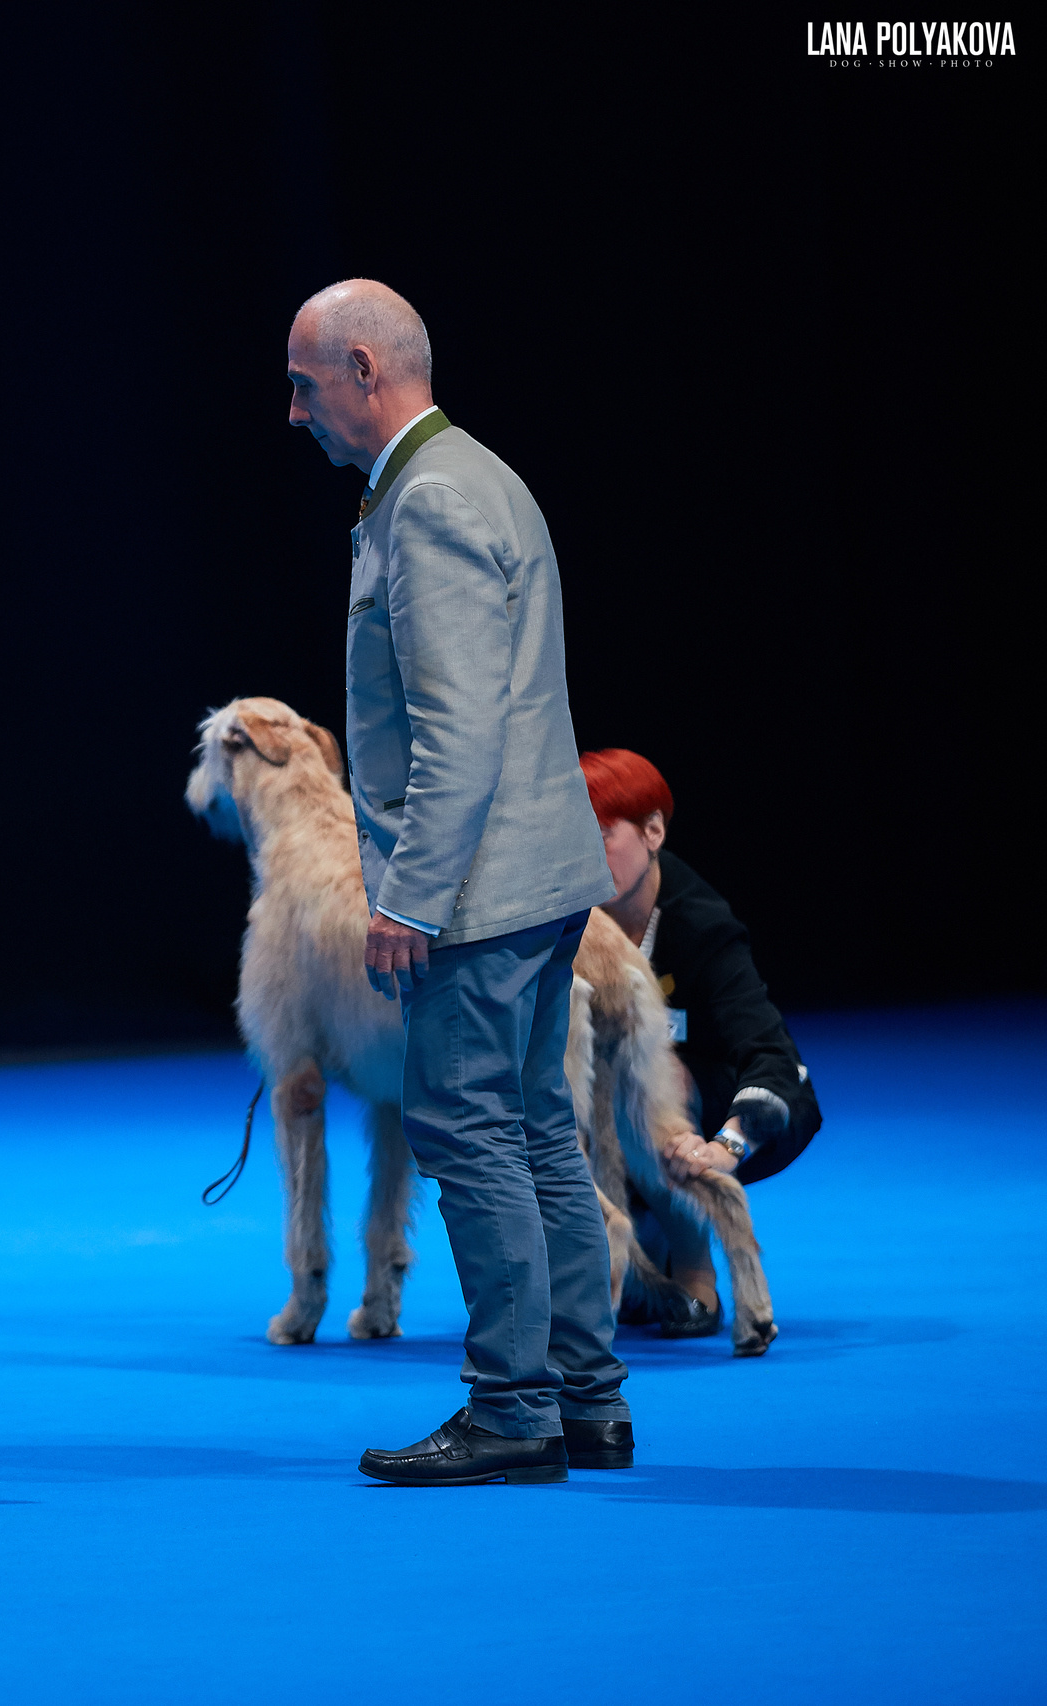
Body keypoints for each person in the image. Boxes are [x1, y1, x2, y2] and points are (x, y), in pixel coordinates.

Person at [287, 279, 631, 1485]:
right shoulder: (481, 474)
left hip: (476, 894)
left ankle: (511, 1409)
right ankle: (584, 1398)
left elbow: (457, 730)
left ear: (366, 370)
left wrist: (407, 898)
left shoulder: (427, 498)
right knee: (538, 1133)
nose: (295, 410)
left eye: (305, 382)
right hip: (542, 880)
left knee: (471, 1133)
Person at [584, 746, 821, 1335]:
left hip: (695, 1108)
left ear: (654, 830)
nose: (584, 854)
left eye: (602, 834)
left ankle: (696, 1278)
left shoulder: (702, 927)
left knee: (656, 1075)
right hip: (594, 1123)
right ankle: (631, 1255)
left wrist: (724, 1149)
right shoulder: (562, 918)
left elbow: (774, 1060)